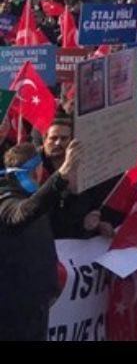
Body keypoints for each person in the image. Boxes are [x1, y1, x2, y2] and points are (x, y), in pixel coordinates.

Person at [0, 140, 79, 339]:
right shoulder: (6, 200)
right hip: (12, 313)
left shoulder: (34, 198)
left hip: (36, 305)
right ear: (35, 171)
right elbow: (23, 212)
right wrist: (61, 176)